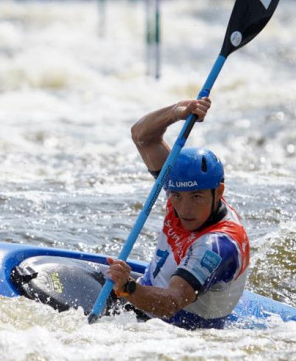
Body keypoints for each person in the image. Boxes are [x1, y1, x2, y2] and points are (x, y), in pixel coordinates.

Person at [106, 97, 250, 329]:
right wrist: (177, 112)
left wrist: (128, 287)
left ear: (219, 191)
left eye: (196, 197)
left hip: (173, 328)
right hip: (142, 300)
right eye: (177, 196)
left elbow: (172, 302)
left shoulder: (217, 245)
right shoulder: (180, 186)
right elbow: (142, 136)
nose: (184, 209)